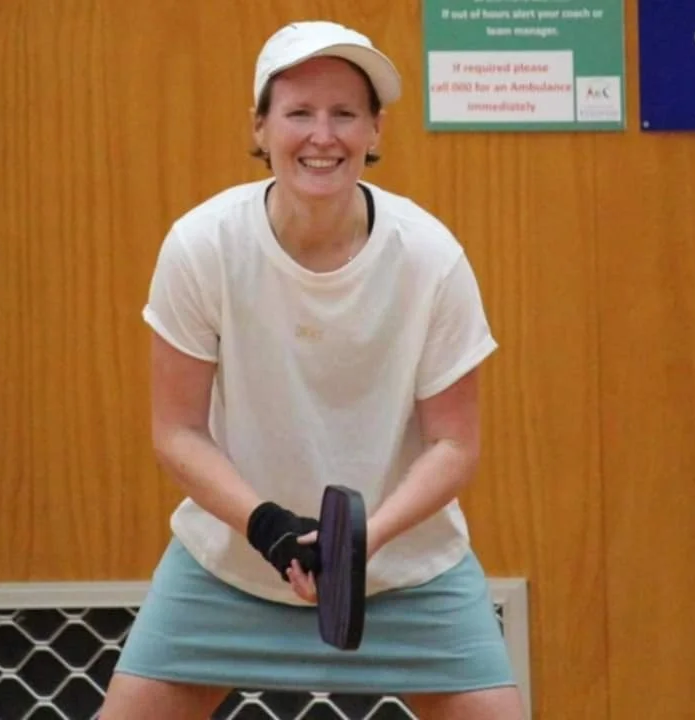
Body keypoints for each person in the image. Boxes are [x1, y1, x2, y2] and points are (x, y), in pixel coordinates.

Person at [99, 19, 527, 720]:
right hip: (231, 566)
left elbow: (454, 444)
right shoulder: (202, 246)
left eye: (344, 114)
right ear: (260, 126)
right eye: (298, 113)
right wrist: (265, 526)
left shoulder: (430, 257)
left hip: (406, 570)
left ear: (375, 130)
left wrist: (359, 544)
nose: (321, 136)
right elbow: (177, 431)